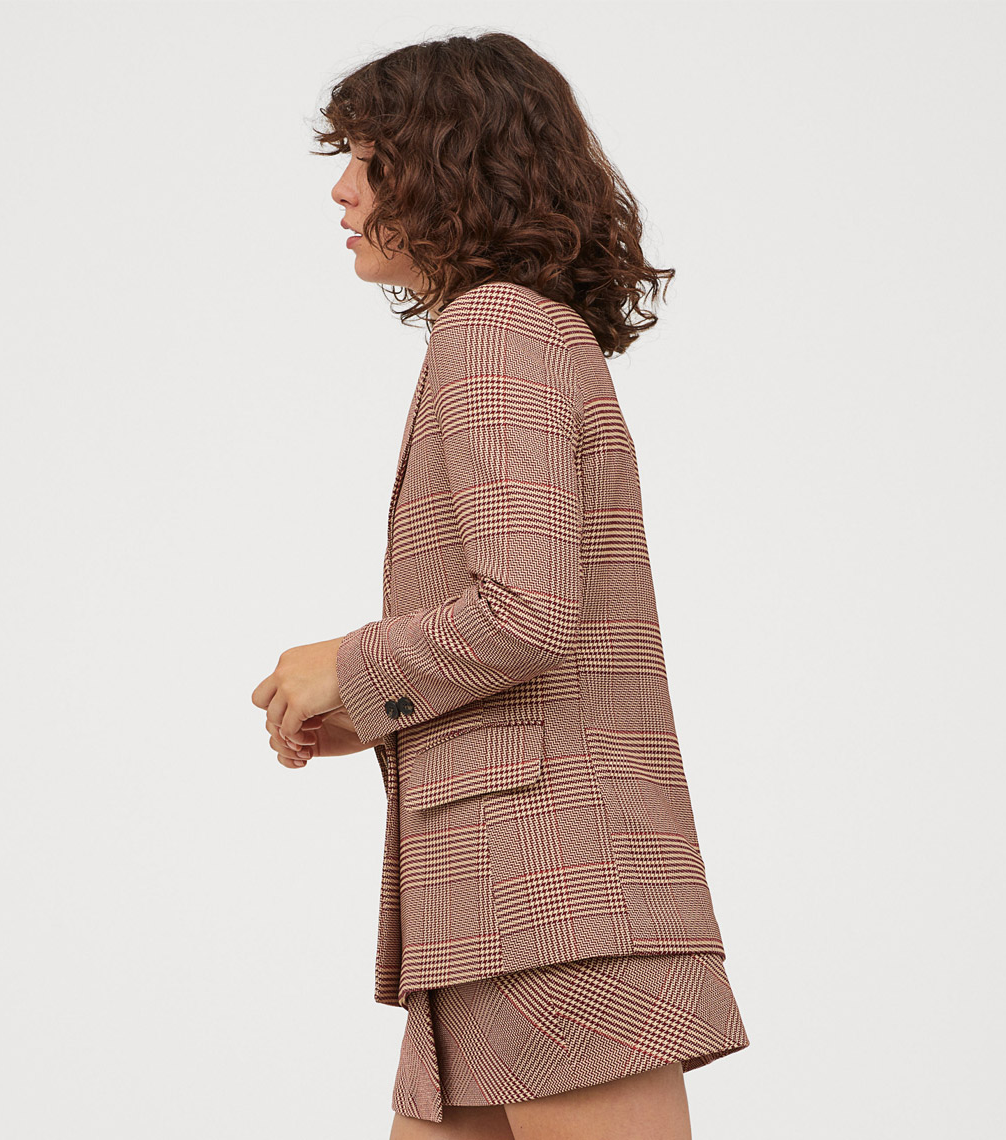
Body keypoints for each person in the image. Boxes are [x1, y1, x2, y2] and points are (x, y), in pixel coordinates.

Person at [251, 31, 749, 1140]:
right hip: (496, 898)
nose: (342, 190)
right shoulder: (516, 332)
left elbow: (524, 611)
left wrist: (350, 664)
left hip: (548, 895)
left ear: (450, 167)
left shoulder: (494, 331)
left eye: (369, 159)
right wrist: (381, 706)